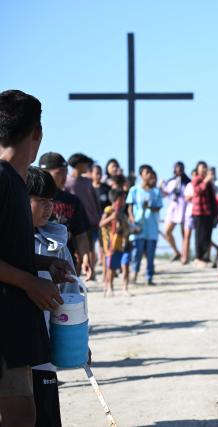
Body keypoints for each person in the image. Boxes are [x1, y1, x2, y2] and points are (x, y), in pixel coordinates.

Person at [0, 90, 67, 426]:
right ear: (37, 133)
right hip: (5, 322)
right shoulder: (3, 180)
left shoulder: (15, 181)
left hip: (14, 322)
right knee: (19, 416)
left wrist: (43, 265)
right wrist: (28, 281)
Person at [27, 166, 83, 427]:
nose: (48, 207)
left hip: (46, 339)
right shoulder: (11, 238)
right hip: (14, 340)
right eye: (41, 201)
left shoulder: (57, 241)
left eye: (51, 201)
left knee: (45, 405)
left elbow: (71, 293)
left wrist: (77, 340)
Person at [39, 152, 93, 280]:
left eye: (65, 172)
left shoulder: (72, 201)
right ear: (44, 172)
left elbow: (80, 234)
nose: (64, 177)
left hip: (66, 263)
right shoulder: (31, 198)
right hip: (37, 262)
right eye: (59, 173)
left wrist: (85, 258)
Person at [65, 153, 101, 279]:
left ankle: (91, 273)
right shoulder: (67, 182)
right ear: (78, 165)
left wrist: (98, 216)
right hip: (74, 222)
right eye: (86, 164)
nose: (88, 167)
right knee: (76, 251)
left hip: (91, 221)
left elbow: (95, 201)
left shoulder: (87, 181)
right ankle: (77, 275)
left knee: (90, 248)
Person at [127, 165, 163, 285]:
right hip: (138, 227)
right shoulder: (134, 190)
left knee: (150, 254)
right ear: (141, 175)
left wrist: (150, 207)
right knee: (137, 252)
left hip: (152, 227)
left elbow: (159, 207)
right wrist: (132, 220)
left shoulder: (156, 191)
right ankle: (134, 275)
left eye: (150, 173)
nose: (149, 175)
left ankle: (149, 277)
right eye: (146, 172)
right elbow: (130, 207)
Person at [100, 189, 130, 296]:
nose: (124, 201)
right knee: (111, 268)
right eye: (122, 198)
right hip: (111, 244)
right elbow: (101, 224)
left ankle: (125, 288)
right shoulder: (108, 210)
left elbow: (126, 228)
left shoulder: (123, 213)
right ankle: (110, 287)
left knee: (125, 266)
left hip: (123, 244)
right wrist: (112, 217)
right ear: (116, 199)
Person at [191, 161, 218, 268]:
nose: (204, 169)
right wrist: (206, 181)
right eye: (202, 167)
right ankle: (198, 257)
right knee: (199, 236)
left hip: (208, 212)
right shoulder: (196, 179)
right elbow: (197, 191)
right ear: (197, 169)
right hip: (198, 212)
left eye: (205, 167)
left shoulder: (209, 181)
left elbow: (213, 198)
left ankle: (205, 257)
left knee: (207, 236)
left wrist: (216, 212)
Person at [162, 161, 190, 262]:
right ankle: (176, 251)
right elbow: (165, 193)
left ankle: (185, 255)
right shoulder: (171, 181)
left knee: (185, 234)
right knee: (167, 232)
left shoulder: (187, 182)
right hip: (173, 209)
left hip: (184, 209)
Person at [181, 169, 197, 264]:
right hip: (190, 213)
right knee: (187, 236)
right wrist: (196, 194)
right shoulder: (189, 185)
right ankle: (185, 257)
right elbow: (186, 197)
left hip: (200, 213)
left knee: (201, 236)